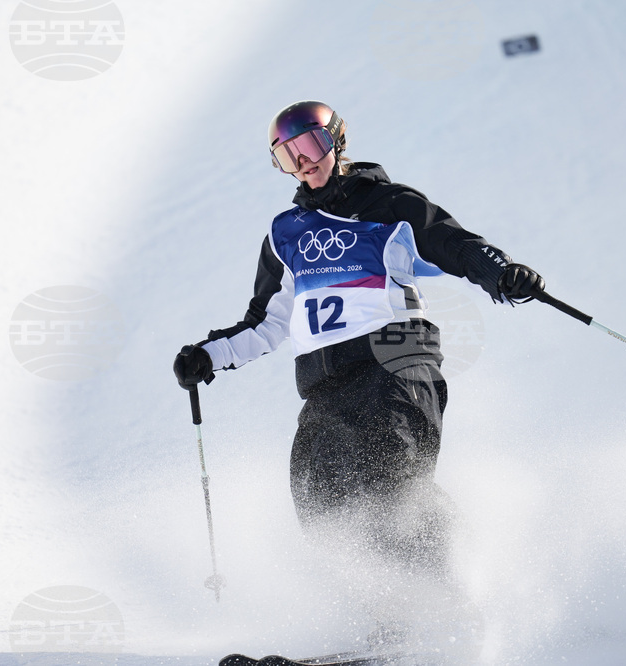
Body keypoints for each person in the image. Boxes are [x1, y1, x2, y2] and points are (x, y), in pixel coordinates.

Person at [173, 99, 545, 636]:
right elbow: (266, 322)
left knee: (388, 481)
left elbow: (450, 243)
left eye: (311, 146)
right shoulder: (285, 234)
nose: (304, 163)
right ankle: (395, 619)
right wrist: (208, 356)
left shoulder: (388, 205)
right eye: (287, 156)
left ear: (337, 142)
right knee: (318, 497)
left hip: (396, 359)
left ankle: (452, 603)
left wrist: (500, 271)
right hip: (326, 382)